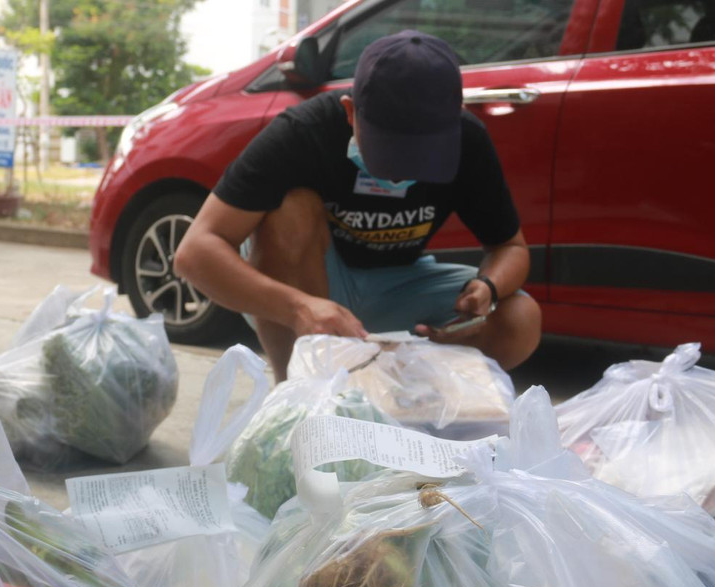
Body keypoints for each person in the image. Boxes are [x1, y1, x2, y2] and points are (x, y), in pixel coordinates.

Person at [174, 30, 541, 381]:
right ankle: (296, 394)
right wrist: (299, 307)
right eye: (390, 154)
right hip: (307, 285)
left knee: (520, 318)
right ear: (350, 112)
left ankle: (419, 395)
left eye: (422, 157)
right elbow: (194, 253)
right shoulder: (303, 133)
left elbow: (510, 247)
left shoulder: (469, 141)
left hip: (401, 284)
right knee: (290, 207)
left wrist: (488, 287)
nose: (400, 175)